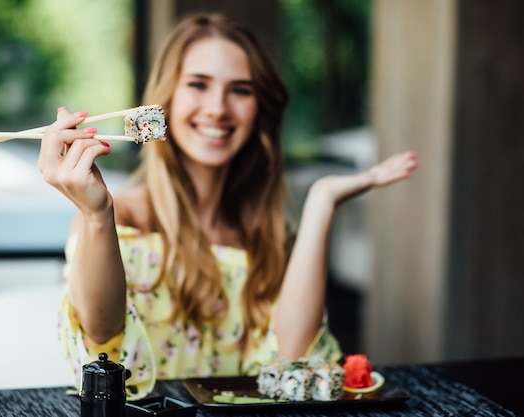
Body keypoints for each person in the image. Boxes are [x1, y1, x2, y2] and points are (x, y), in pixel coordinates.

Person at [37, 13, 419, 399]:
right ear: (165, 98)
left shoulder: (267, 237)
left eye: (240, 90)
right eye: (198, 84)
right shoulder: (117, 219)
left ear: (259, 110)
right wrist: (97, 215)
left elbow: (293, 365)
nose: (218, 108)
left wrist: (322, 202)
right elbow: (102, 342)